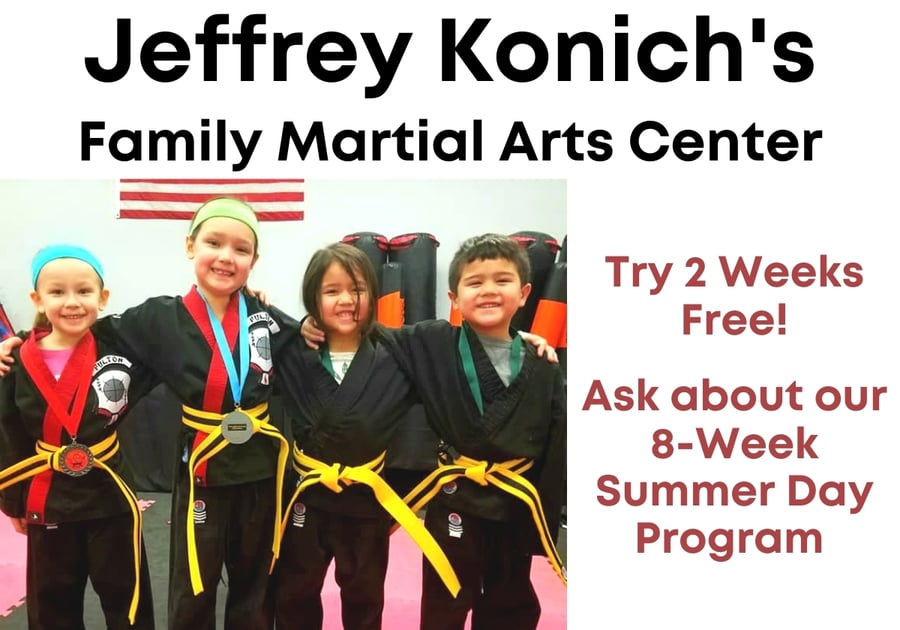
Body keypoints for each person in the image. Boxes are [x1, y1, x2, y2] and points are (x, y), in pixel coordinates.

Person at [0, 198, 301, 629]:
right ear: (190, 247)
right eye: (214, 242)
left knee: (256, 578)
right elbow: (83, 330)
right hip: (203, 467)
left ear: (254, 260)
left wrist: (277, 310)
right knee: (193, 579)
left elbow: (306, 342)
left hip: (260, 466)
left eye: (241, 249)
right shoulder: (158, 318)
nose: (225, 256)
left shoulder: (262, 316)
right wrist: (23, 343)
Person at [301, 233, 566, 630]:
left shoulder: (542, 362)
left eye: (503, 281)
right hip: (456, 501)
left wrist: (542, 525)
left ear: (525, 293)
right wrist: (308, 322)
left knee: (511, 602)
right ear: (454, 297)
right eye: (475, 283)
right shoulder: (431, 342)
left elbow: (556, 446)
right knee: (444, 601)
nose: (489, 291)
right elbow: (367, 331)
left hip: (514, 503)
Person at [272, 242, 460, 630]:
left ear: (373, 296)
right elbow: (246, 322)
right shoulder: (291, 351)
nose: (346, 300)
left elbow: (461, 340)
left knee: (365, 596)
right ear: (312, 298)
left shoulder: (398, 350)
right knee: (294, 593)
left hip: (366, 501)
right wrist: (279, 314)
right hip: (306, 495)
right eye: (331, 291)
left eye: (356, 289)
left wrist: (520, 340)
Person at [0, 244, 157, 630]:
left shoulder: (121, 351)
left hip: (111, 497)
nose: (72, 302)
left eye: (84, 291)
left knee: (129, 602)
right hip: (49, 500)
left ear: (102, 298)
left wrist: (249, 301)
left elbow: (176, 342)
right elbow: (9, 431)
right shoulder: (16, 360)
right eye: (57, 292)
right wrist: (13, 499)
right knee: (51, 606)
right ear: (37, 298)